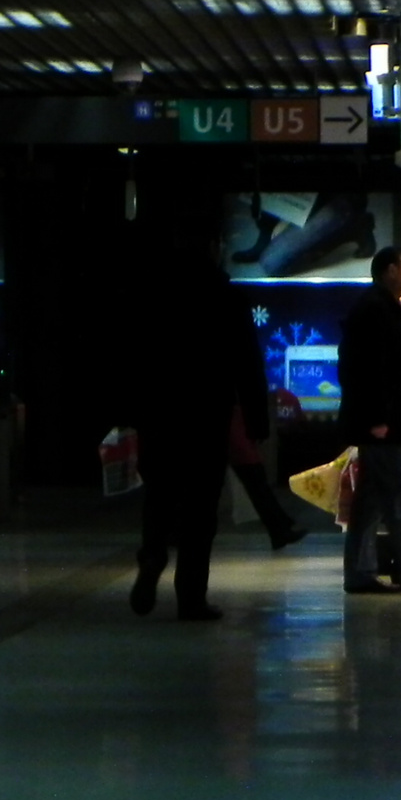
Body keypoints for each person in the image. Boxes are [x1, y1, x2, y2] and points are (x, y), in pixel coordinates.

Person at [126, 216, 268, 621]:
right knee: (200, 508)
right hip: (207, 414)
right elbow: (247, 361)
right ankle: (191, 596)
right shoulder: (224, 295)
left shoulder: (151, 294)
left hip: (159, 414)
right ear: (213, 247)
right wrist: (256, 419)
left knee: (159, 495)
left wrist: (131, 411)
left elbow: (131, 358)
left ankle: (153, 554)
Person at [338, 246, 401, 594]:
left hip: (385, 419)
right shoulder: (374, 310)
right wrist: (377, 417)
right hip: (384, 423)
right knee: (398, 490)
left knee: (371, 498)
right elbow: (368, 369)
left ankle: (360, 571)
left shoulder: (383, 308)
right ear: (387, 271)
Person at [227, 405, 306, 550]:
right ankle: (280, 526)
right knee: (257, 484)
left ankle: (280, 526)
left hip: (237, 436)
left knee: (256, 484)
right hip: (238, 437)